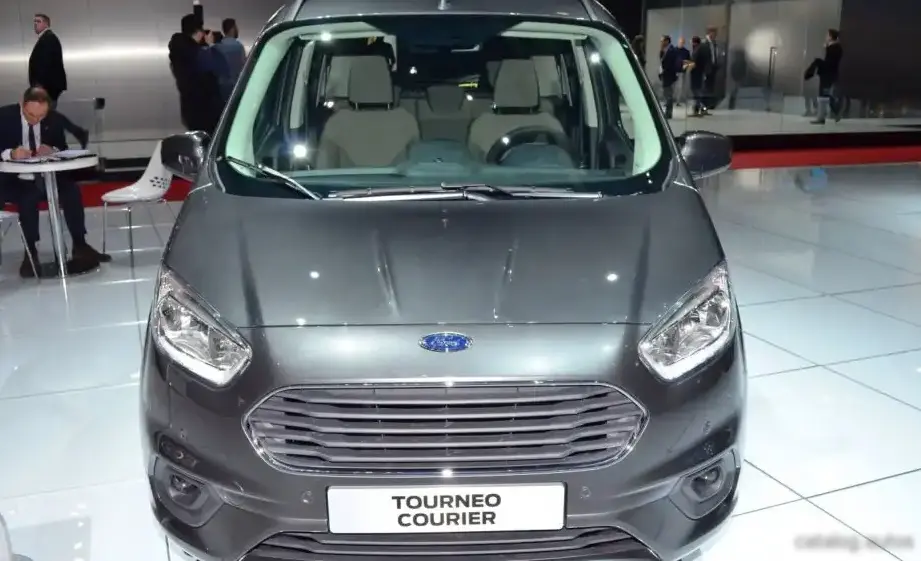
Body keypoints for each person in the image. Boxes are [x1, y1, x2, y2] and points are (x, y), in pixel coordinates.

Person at [0, 88, 110, 278]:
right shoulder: (4, 117)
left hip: (47, 176)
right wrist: (10, 153)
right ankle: (31, 253)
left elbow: (62, 148)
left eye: (41, 116)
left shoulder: (53, 119)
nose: (36, 120)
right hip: (14, 179)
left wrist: (52, 150)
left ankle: (80, 245)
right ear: (22, 105)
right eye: (31, 115)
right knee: (28, 198)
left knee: (71, 191)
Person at [27, 13, 89, 148]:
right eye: (34, 22)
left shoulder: (48, 39)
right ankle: (75, 135)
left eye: (38, 21)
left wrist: (40, 86)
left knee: (47, 115)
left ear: (46, 24)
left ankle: (63, 141)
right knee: (49, 115)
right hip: (48, 85)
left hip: (47, 85)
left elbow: (45, 64)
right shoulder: (46, 39)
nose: (35, 24)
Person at [169, 13, 221, 133]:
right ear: (198, 32)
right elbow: (215, 68)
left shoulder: (179, 50)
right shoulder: (197, 53)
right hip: (205, 108)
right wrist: (211, 46)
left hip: (189, 107)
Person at [813, 28, 843, 124]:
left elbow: (829, 62)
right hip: (830, 74)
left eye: (827, 35)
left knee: (824, 95)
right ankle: (833, 112)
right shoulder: (835, 47)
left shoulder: (834, 48)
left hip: (828, 74)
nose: (826, 37)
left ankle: (823, 117)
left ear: (830, 36)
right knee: (825, 94)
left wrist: (826, 49)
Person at [213, 18, 247, 101]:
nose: (237, 30)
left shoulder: (217, 47)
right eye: (236, 27)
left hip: (221, 87)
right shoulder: (238, 46)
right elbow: (244, 67)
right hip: (235, 86)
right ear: (232, 29)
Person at [659, 35, 679, 119]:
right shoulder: (664, 50)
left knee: (668, 94)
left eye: (662, 41)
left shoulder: (672, 50)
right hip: (665, 74)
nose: (661, 43)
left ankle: (669, 112)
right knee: (666, 93)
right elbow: (661, 61)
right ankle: (668, 111)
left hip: (669, 75)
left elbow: (673, 63)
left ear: (667, 41)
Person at [675, 37, 691, 105]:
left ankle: (678, 100)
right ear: (678, 42)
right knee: (674, 86)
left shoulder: (686, 52)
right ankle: (673, 99)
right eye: (680, 42)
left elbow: (689, 61)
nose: (681, 43)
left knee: (680, 86)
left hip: (681, 71)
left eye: (682, 42)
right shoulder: (674, 50)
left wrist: (686, 65)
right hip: (674, 71)